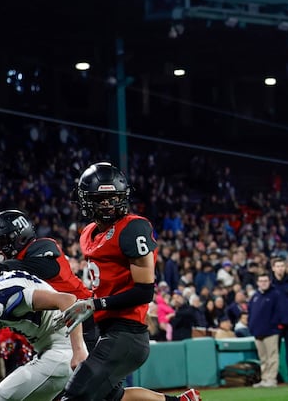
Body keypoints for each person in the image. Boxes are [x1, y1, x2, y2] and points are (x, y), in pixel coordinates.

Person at [61, 162, 193, 401]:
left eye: (113, 198)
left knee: (73, 397)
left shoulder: (134, 228)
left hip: (127, 333)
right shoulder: (87, 232)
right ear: (85, 200)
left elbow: (144, 292)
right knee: (113, 398)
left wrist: (95, 304)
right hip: (106, 328)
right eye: (100, 198)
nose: (107, 204)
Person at [0, 261, 89, 401]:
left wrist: (78, 351)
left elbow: (67, 300)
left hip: (62, 353)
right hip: (52, 350)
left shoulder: (4, 297)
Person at [0, 209, 96, 345]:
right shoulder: (13, 268)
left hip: (84, 317)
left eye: (0, 243)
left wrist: (2, 267)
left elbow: (47, 268)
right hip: (56, 326)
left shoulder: (42, 246)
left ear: (19, 238)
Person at [248, 273, 286, 389]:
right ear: (258, 283)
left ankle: (272, 379)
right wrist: (252, 327)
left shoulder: (275, 295)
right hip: (257, 332)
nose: (263, 283)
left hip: (271, 331)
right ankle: (264, 379)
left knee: (272, 357)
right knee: (263, 358)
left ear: (269, 282)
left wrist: (274, 325)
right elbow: (250, 313)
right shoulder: (255, 296)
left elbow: (279, 312)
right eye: (261, 281)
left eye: (265, 281)